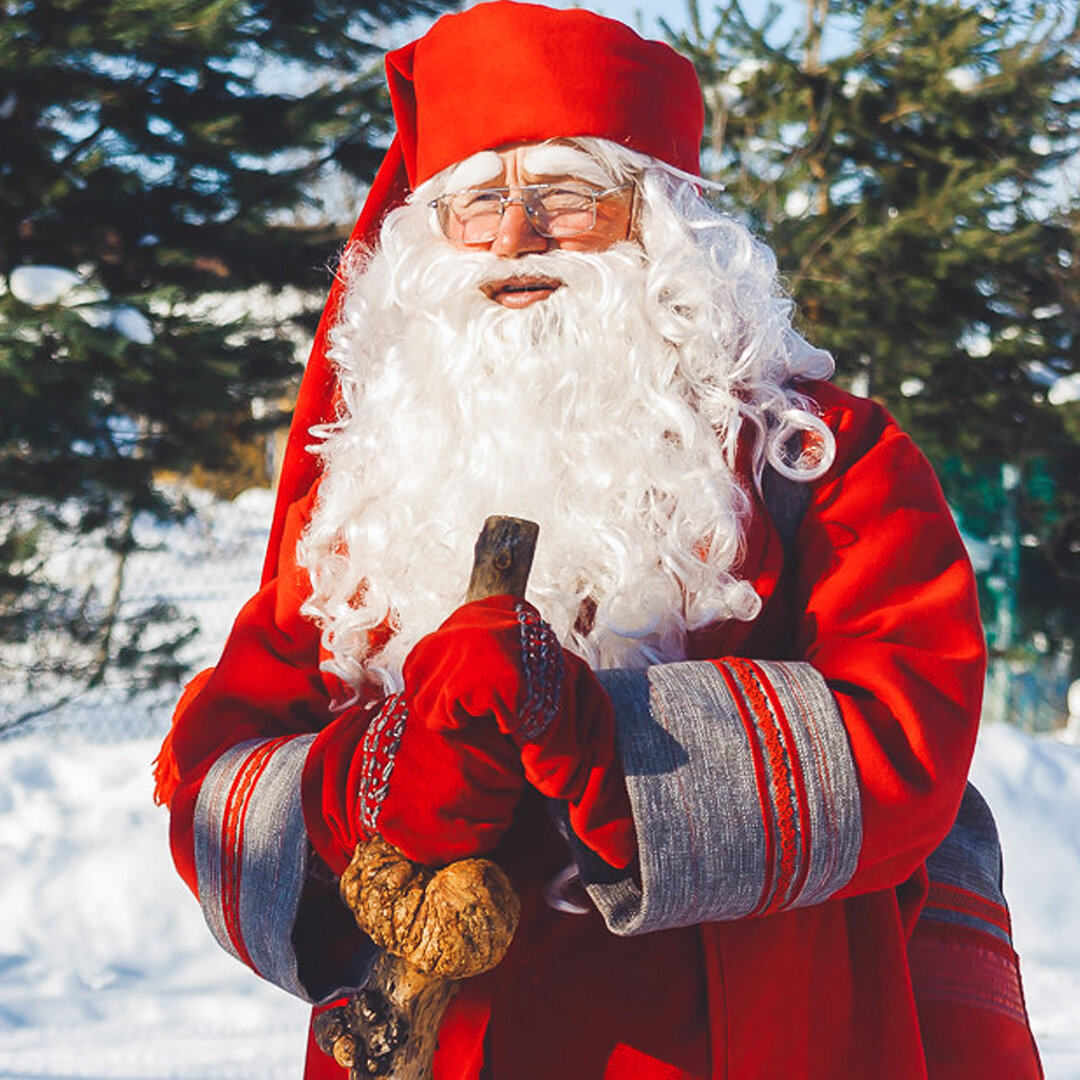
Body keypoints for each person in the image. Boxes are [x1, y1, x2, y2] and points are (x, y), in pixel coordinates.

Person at [154, 3, 1043, 1077]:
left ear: (662, 224)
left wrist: (600, 737)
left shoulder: (820, 455)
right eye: (477, 203)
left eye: (567, 192)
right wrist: (379, 777)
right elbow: (221, 787)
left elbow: (911, 735)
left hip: (749, 1044)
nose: (517, 237)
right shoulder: (362, 498)